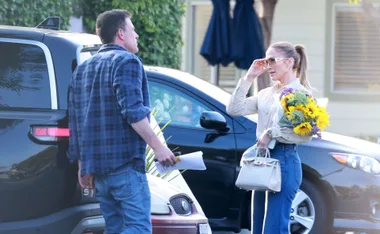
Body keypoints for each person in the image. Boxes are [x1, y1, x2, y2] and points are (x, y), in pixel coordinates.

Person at [67, 10, 177, 234]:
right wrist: (158, 147)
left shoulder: (82, 70)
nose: (136, 35)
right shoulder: (127, 61)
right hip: (124, 166)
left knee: (115, 229)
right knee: (138, 228)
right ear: (120, 33)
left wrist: (82, 166)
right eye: (133, 30)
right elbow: (133, 111)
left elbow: (76, 122)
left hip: (98, 173)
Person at [226, 41, 313, 234]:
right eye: (266, 60)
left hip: (285, 161)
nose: (268, 66)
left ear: (289, 62)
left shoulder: (302, 95)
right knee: (259, 227)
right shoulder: (265, 94)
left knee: (274, 228)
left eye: (272, 60)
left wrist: (271, 133)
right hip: (262, 163)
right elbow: (234, 109)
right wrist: (249, 76)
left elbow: (305, 135)